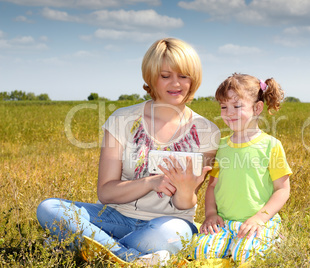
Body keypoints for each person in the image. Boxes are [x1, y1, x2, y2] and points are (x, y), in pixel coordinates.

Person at [36, 37, 221, 264]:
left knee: (173, 234)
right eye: (166, 76)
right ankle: (131, 257)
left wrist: (184, 189)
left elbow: (186, 204)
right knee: (49, 209)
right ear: (151, 78)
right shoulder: (122, 119)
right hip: (115, 217)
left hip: (167, 223)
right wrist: (151, 182)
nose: (176, 84)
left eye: (183, 76)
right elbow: (106, 192)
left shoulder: (206, 130)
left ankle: (95, 248)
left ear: (194, 79)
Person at [192, 73, 292, 264]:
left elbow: (282, 189)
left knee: (245, 256)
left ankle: (273, 238)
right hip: (225, 221)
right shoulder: (220, 146)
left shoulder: (271, 145)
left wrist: (260, 218)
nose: (229, 112)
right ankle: (231, 243)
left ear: (257, 108)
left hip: (258, 221)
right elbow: (212, 186)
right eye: (224, 107)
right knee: (201, 252)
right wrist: (211, 214)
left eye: (237, 106)